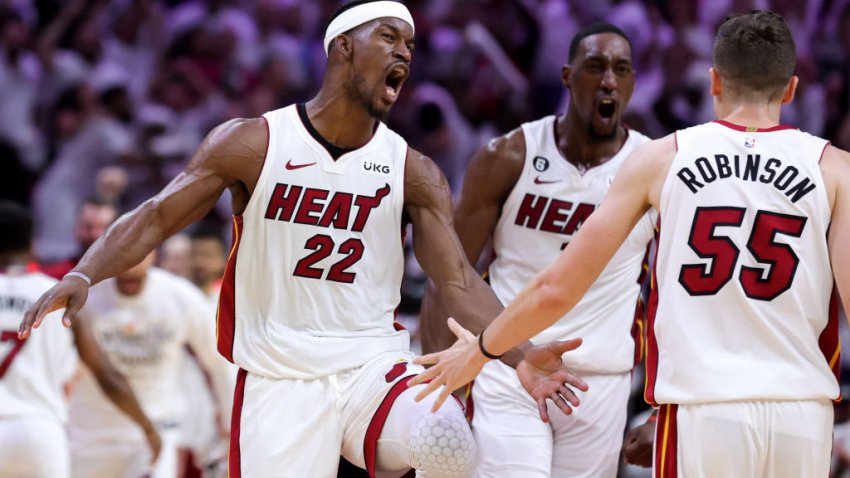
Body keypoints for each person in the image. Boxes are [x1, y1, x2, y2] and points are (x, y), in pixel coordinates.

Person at [19, 2, 580, 476]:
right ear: (342, 48)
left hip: (370, 364)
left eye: (410, 43)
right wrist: (83, 271)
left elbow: (456, 281)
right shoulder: (253, 142)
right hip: (278, 373)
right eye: (388, 37)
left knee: (447, 443)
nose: (404, 52)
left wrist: (522, 355)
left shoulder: (412, 170)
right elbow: (156, 216)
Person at [412, 10, 850, 478]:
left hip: (701, 409)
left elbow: (556, 289)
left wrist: (480, 349)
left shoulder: (661, 158)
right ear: (790, 89)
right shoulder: (835, 169)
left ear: (715, 81)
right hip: (802, 412)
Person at [420, 22, 654, 478]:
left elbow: (675, 295)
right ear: (567, 76)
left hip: (600, 380)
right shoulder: (508, 155)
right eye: (595, 67)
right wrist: (441, 395)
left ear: (630, 84)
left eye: (621, 69)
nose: (608, 79)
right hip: (508, 365)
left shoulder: (651, 168)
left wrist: (666, 406)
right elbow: (449, 275)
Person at [0, 201, 160, 478]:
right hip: (40, 431)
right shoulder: (57, 295)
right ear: (32, 245)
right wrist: (146, 426)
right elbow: (106, 375)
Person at [67, 250, 233, 478]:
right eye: (123, 276)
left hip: (158, 429)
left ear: (153, 253)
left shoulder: (180, 296)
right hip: (90, 433)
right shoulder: (86, 297)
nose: (129, 281)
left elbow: (219, 361)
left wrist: (231, 425)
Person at [40, 196, 119, 279]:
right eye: (88, 226)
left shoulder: (126, 279)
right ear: (75, 228)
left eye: (102, 227)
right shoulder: (52, 277)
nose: (94, 234)